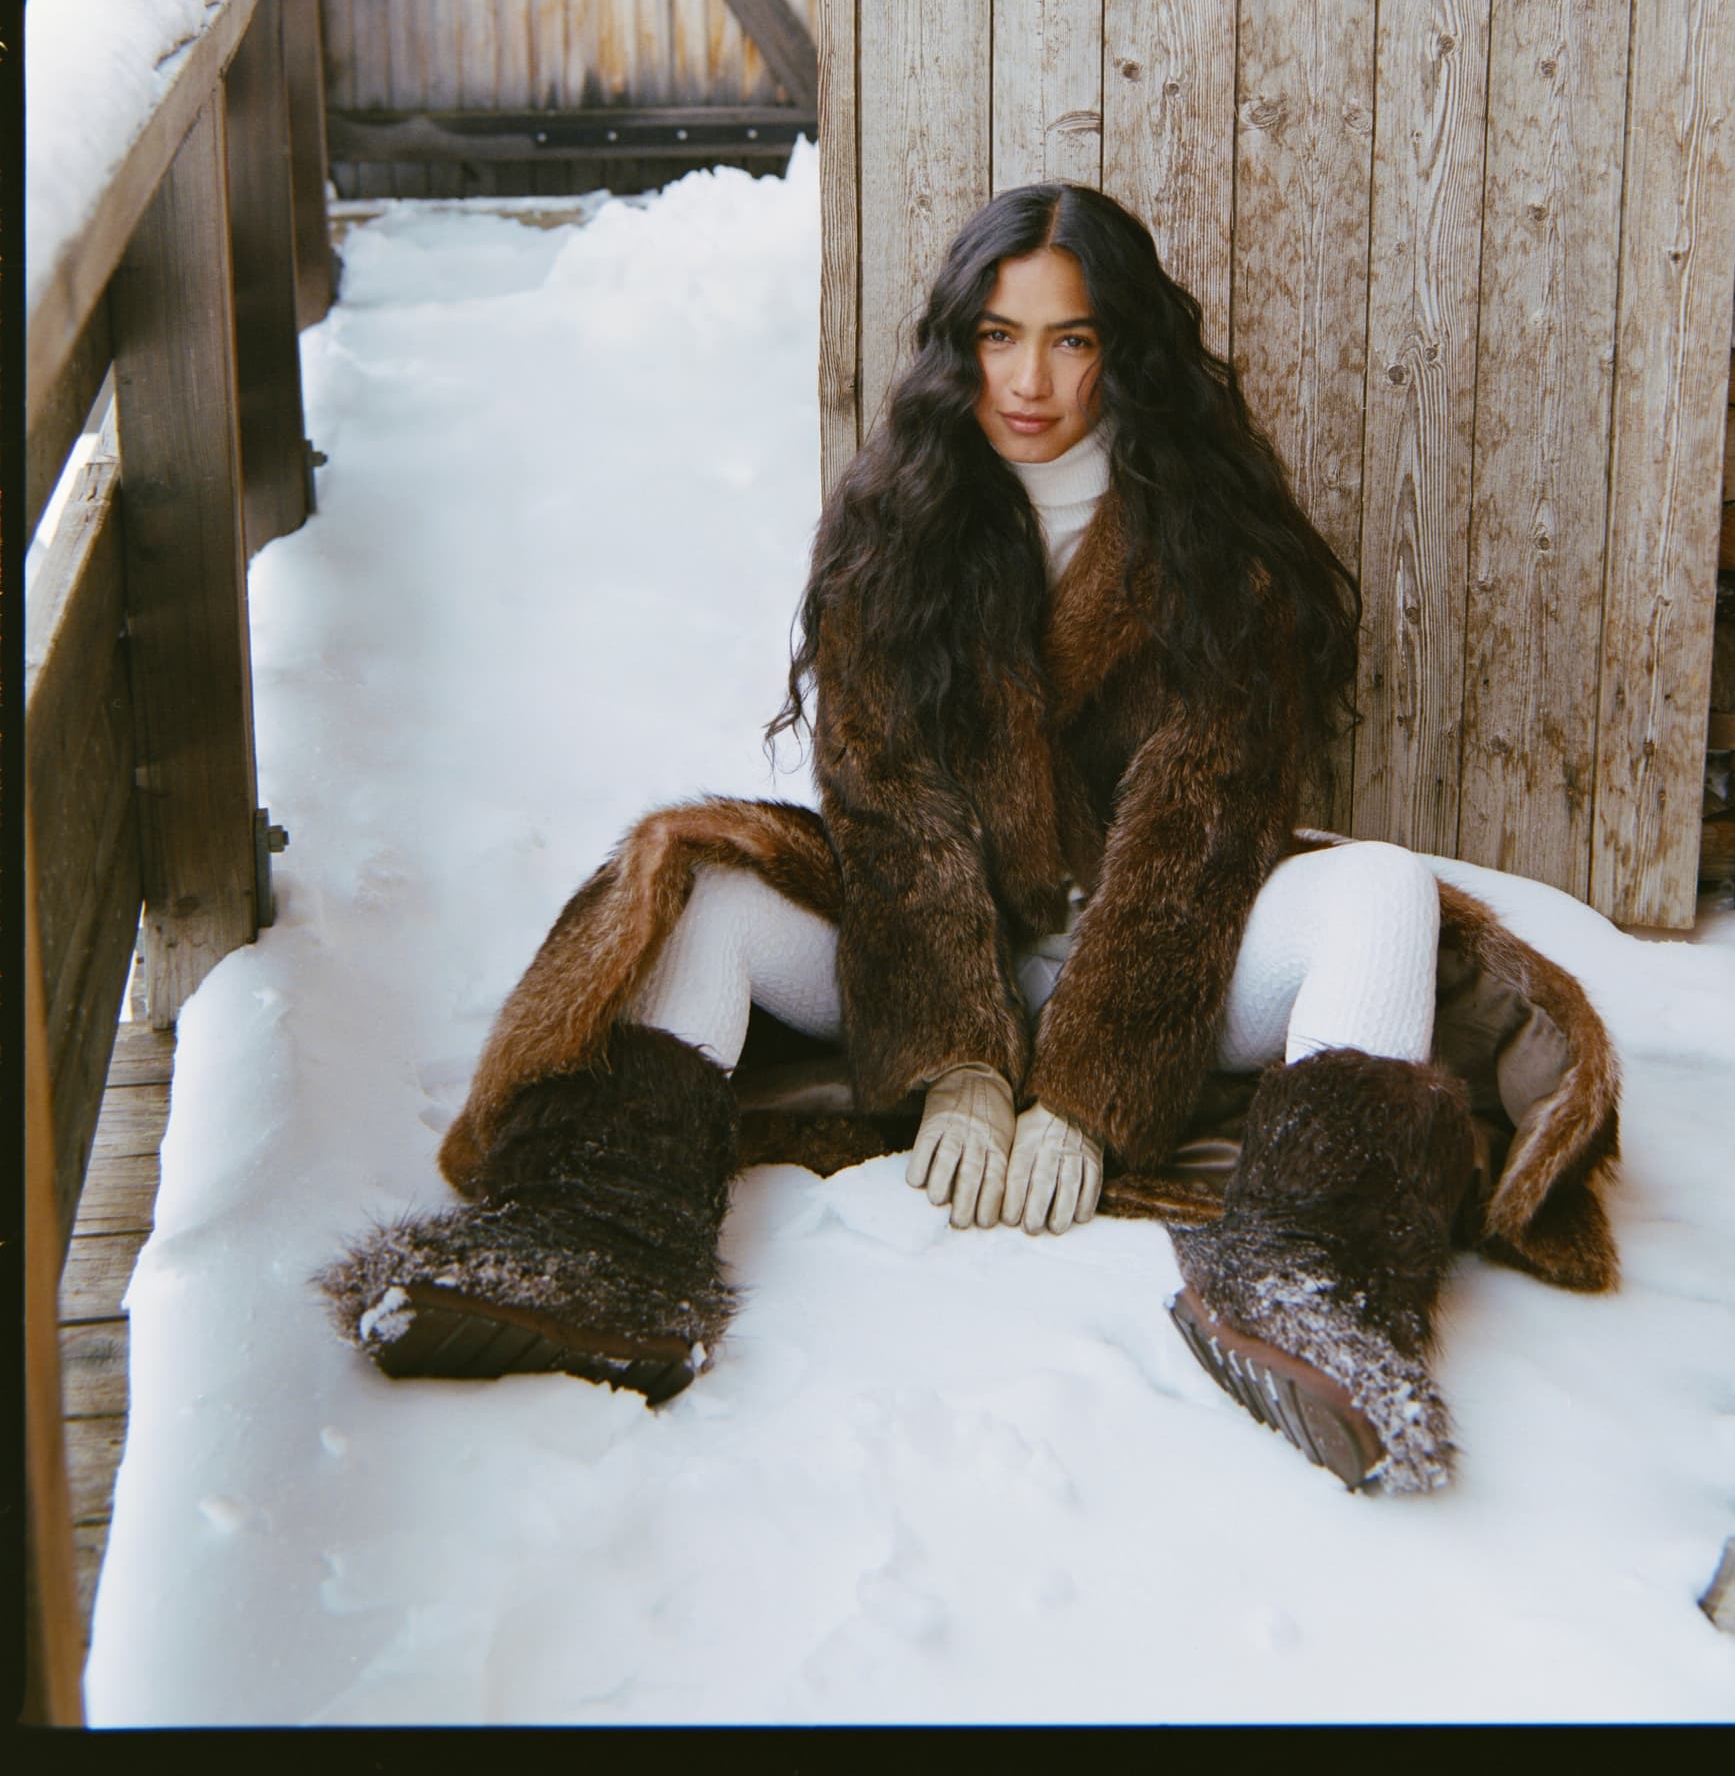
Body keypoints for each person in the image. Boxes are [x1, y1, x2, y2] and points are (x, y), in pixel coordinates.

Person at [323, 186, 1621, 1495]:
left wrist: (1085, 1102)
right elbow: (889, 818)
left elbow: (1199, 843)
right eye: (999, 337)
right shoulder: (898, 529)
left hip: (1167, 961)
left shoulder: (1217, 549)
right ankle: (594, 1244)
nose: (1030, 380)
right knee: (693, 877)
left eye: (1070, 340)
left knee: (1381, 890)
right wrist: (957, 1062)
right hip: (933, 946)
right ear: (960, 344)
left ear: (1126, 349)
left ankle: (1305, 1284)